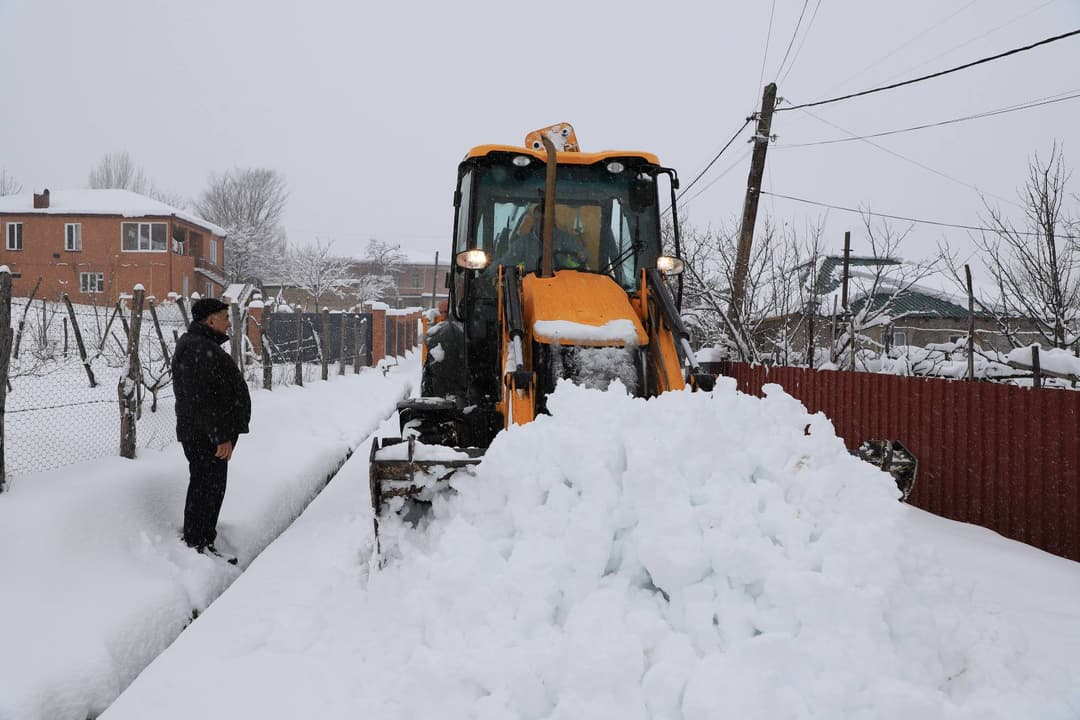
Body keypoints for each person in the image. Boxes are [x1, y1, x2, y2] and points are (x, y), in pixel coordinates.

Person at [172, 297, 251, 564]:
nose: (229, 323)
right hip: (205, 436)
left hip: (206, 434)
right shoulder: (197, 348)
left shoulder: (203, 345)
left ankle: (205, 542)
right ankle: (197, 544)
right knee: (206, 488)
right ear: (210, 320)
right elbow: (201, 398)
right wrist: (220, 436)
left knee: (211, 488)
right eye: (225, 317)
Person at [492, 204, 589, 273]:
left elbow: (581, 256)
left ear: (553, 220)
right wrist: (489, 271)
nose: (542, 224)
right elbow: (506, 261)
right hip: (532, 285)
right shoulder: (524, 242)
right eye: (538, 220)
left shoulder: (565, 239)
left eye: (545, 220)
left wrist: (582, 256)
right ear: (533, 221)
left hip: (561, 284)